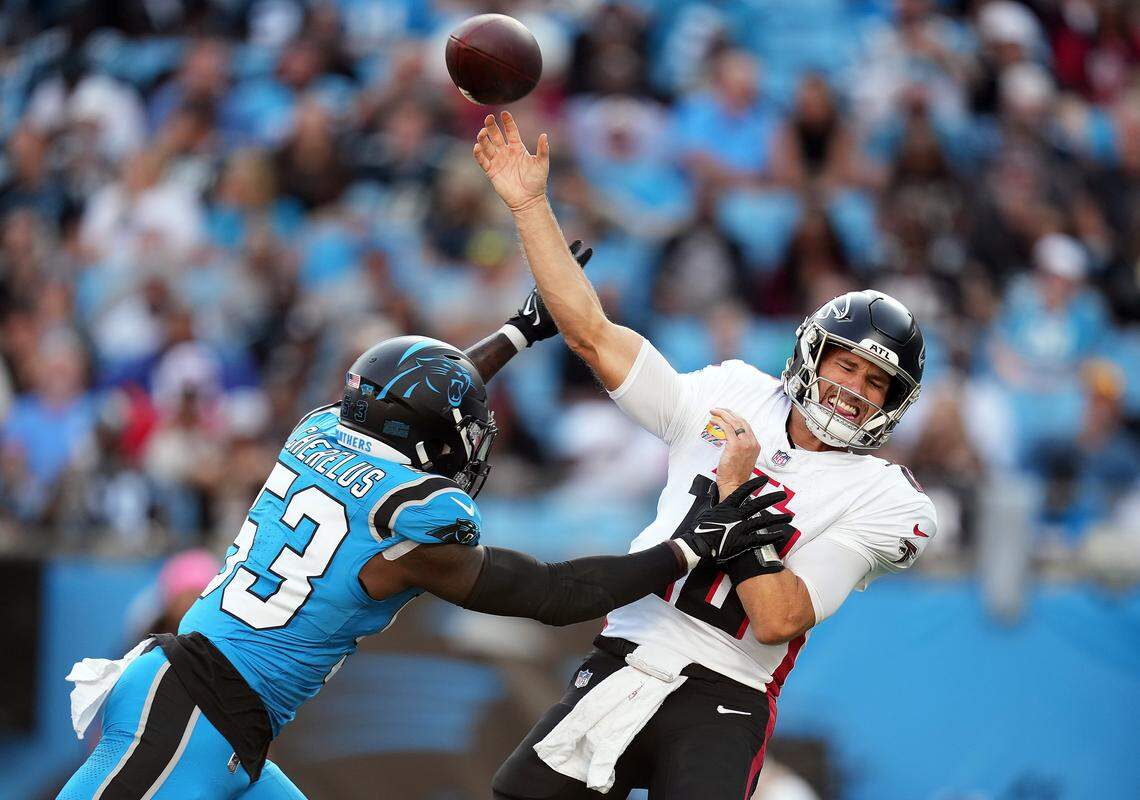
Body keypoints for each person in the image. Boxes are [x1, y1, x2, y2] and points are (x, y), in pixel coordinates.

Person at [57, 270, 793, 798]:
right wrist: (692, 546)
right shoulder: (411, 530)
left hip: (216, 717)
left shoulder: (322, 429)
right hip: (193, 719)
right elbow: (554, 593)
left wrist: (515, 334)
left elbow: (415, 392)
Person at [473, 111, 937, 799]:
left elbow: (781, 615)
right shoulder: (734, 392)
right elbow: (594, 337)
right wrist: (529, 204)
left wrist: (736, 493)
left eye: (876, 384)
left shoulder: (887, 496)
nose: (854, 392)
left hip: (726, 690)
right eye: (848, 368)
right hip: (627, 653)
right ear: (812, 356)